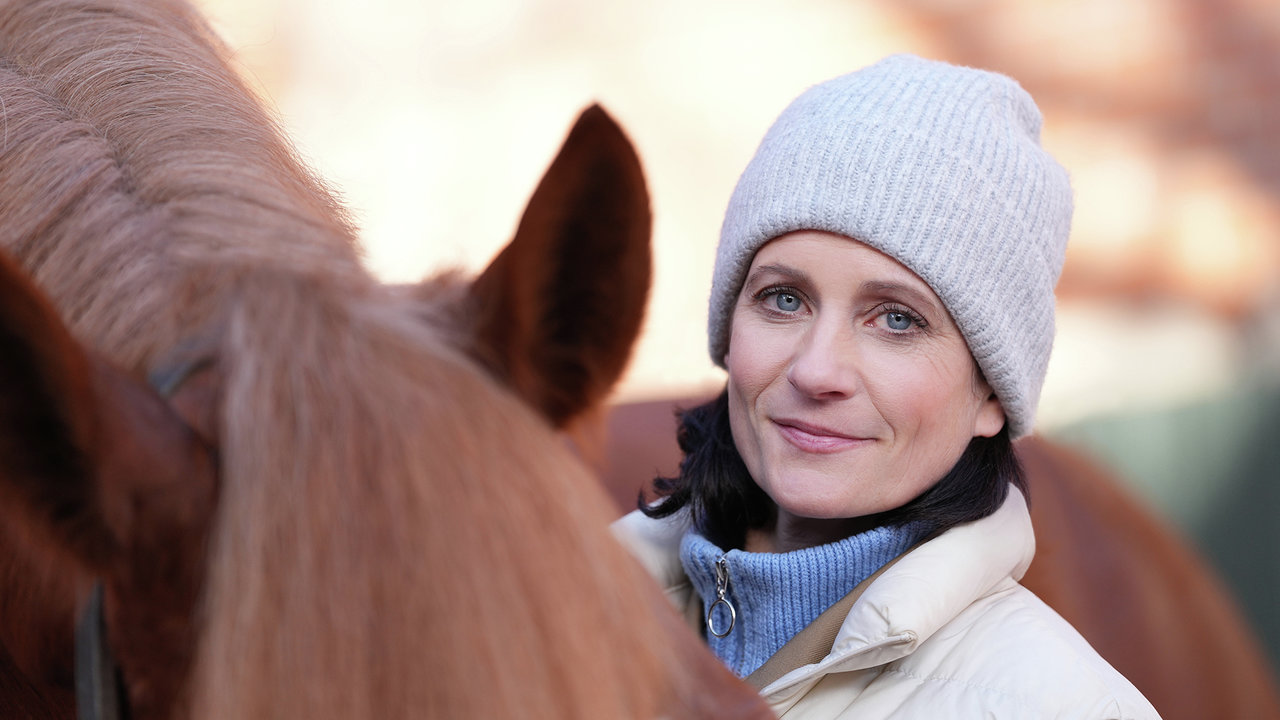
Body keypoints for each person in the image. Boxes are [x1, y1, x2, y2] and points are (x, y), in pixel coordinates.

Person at [613, 54, 1160, 718]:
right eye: (784, 299)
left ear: (991, 395)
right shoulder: (560, 609)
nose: (816, 370)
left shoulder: (1061, 707)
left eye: (897, 320)